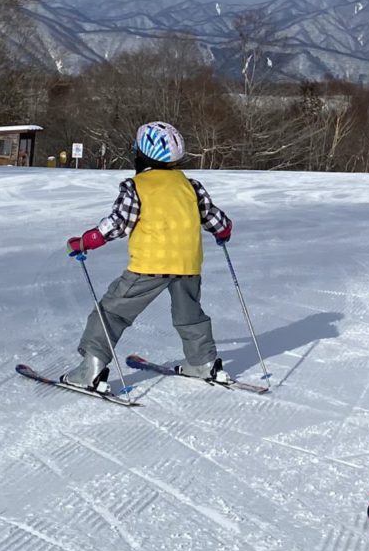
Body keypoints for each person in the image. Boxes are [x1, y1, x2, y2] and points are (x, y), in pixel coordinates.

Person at [57, 121, 236, 392]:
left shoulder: (136, 186)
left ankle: (90, 369)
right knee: (190, 315)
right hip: (188, 266)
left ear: (141, 153)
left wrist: (86, 241)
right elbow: (216, 220)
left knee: (111, 313)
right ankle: (203, 363)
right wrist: (223, 232)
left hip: (149, 266)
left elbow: (118, 224)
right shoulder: (191, 186)